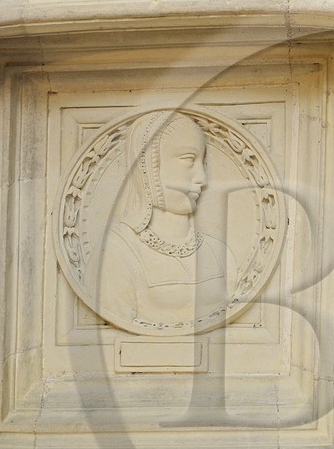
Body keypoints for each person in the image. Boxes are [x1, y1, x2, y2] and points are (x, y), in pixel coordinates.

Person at [96, 109, 234, 334]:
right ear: (149, 167)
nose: (202, 178)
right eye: (188, 160)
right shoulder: (115, 253)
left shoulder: (219, 253)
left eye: (203, 162)